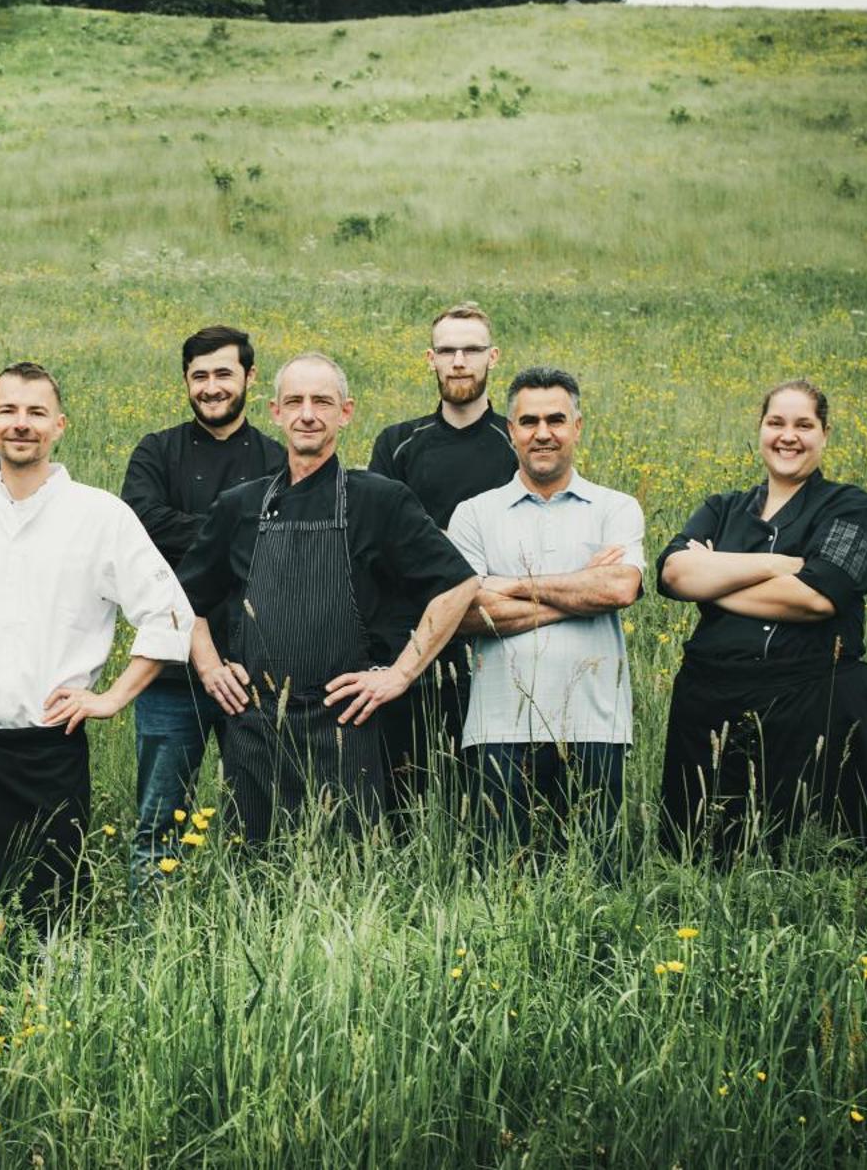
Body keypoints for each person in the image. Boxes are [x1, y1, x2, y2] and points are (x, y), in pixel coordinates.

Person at [0, 361, 195, 927]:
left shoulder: (101, 515)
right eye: (8, 411)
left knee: (51, 921)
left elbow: (171, 615)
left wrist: (109, 699)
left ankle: (51, 1008)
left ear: (60, 425)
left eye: (36, 412)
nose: (21, 424)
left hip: (51, 748)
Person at [180, 354, 480, 845]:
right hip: (256, 729)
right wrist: (212, 668)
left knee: (350, 872)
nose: (308, 414)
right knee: (256, 870)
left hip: (349, 726)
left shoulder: (380, 499)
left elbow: (457, 584)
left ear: (346, 412)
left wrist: (400, 674)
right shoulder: (239, 506)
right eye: (295, 401)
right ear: (275, 412)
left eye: (322, 401)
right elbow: (182, 599)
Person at [656, 379, 867, 871]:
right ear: (760, 430)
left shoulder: (849, 505)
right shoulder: (722, 506)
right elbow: (674, 573)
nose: (789, 436)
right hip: (711, 708)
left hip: (816, 705)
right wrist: (777, 565)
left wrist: (716, 573)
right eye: (776, 423)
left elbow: (815, 598)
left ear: (824, 433)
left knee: (813, 863)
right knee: (703, 862)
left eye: (803, 425)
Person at [447, 368, 643, 869]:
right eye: (528, 420)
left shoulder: (616, 507)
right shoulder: (474, 514)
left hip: (596, 726)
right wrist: (580, 588)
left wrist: (509, 584)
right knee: (499, 882)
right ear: (510, 431)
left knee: (595, 880)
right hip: (498, 728)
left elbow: (619, 587)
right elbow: (466, 613)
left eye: (556, 419)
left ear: (578, 426)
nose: (543, 432)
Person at [120, 325, 284, 884]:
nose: (211, 387)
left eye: (223, 374)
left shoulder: (278, 456)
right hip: (168, 672)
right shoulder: (156, 451)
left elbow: (287, 545)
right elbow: (140, 529)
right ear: (186, 381)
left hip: (255, 672)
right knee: (158, 824)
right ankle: (151, 941)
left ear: (249, 378)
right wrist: (238, 527)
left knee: (262, 825)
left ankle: (254, 936)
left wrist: (190, 535)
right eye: (199, 376)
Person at [367, 302, 518, 813]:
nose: (459, 360)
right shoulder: (398, 443)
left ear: (492, 357)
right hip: (410, 637)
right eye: (448, 350)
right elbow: (383, 543)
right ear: (430, 359)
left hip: (499, 636)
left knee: (484, 789)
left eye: (471, 350)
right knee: (403, 790)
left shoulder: (518, 443)